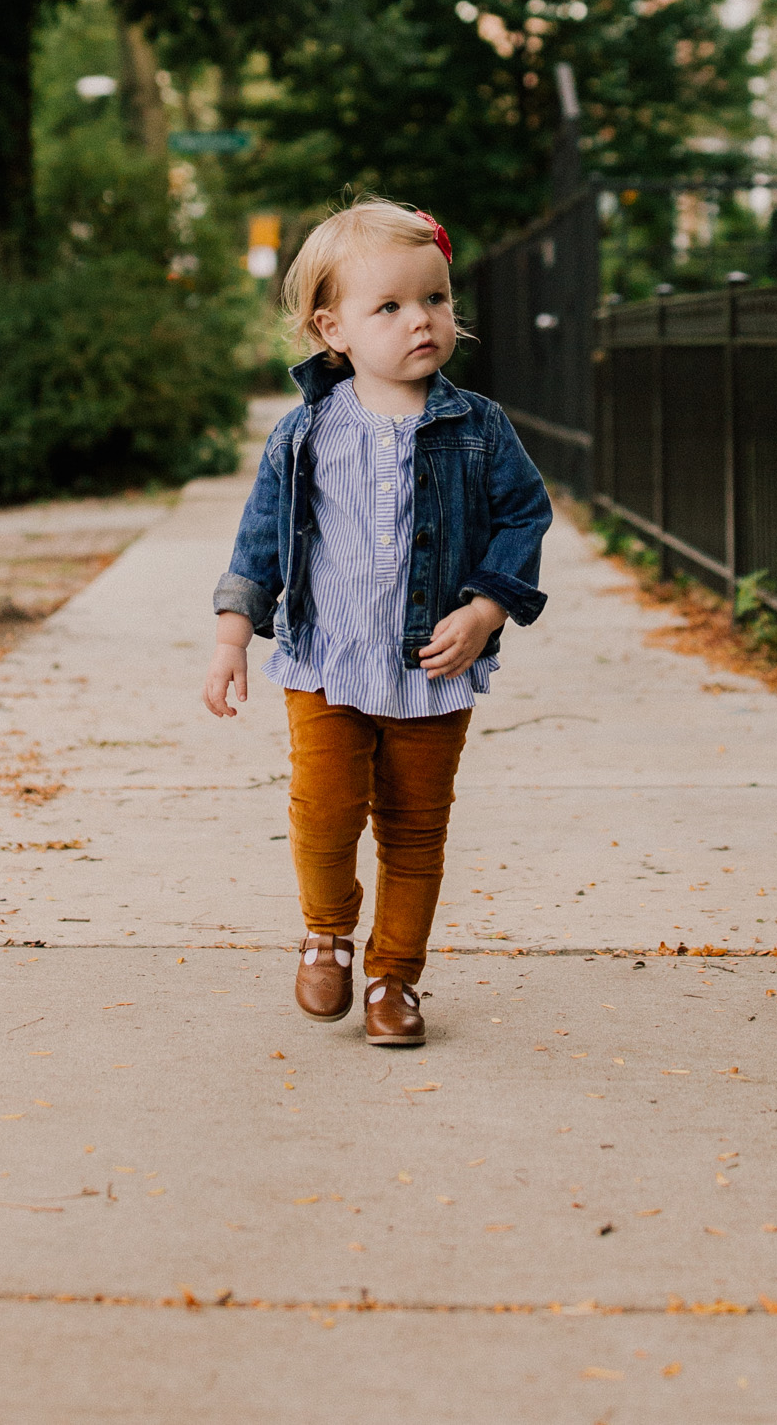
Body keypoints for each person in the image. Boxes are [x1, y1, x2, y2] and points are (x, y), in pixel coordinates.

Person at [203, 197, 550, 1046]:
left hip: (433, 670)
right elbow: (260, 541)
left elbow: (525, 517)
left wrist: (485, 607)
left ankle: (396, 976)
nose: (421, 321)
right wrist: (231, 636)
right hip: (327, 663)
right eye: (389, 306)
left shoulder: (479, 428)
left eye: (434, 299)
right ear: (335, 329)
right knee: (323, 813)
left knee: (415, 828)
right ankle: (326, 934)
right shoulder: (305, 435)